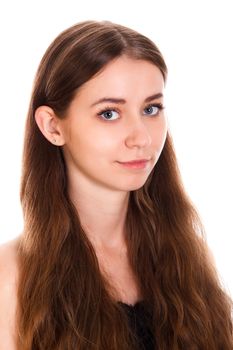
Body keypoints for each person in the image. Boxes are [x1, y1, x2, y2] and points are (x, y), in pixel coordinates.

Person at [0, 20, 232, 350]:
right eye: (109, 113)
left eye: (151, 109)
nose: (142, 137)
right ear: (53, 126)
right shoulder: (10, 278)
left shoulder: (186, 257)